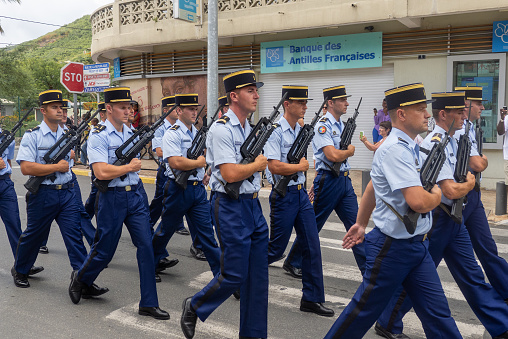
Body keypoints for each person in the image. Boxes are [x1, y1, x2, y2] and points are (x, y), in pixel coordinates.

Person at [324, 83, 462, 339]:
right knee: (361, 312)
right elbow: (418, 202)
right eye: (421, 110)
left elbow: (372, 189)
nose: (427, 114)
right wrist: (438, 193)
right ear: (401, 114)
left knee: (438, 314)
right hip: (392, 249)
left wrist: (361, 224)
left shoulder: (410, 146)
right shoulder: (394, 150)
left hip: (417, 246)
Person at [375, 91, 508, 339]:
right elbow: (449, 188)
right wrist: (469, 184)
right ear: (444, 114)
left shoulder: (456, 138)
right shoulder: (434, 142)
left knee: (472, 274)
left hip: (454, 218)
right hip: (437, 219)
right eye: (459, 111)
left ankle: (502, 325)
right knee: (415, 280)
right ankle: (387, 321)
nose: (463, 115)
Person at [180, 70, 269, 339]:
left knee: (257, 281)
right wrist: (257, 165)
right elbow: (230, 174)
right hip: (230, 206)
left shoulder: (250, 129)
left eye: (256, 90)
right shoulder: (220, 129)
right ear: (234, 96)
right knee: (233, 274)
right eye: (250, 90)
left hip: (253, 206)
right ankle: (194, 305)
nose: (256, 94)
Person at [68, 87, 169, 320]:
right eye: (123, 108)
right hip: (111, 198)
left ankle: (148, 303)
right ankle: (81, 278)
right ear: (109, 109)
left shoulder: (130, 132)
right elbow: (100, 171)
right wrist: (127, 168)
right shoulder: (98, 135)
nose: (128, 111)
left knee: (146, 245)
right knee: (104, 251)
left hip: (134, 195)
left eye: (130, 107)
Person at [264, 85, 333, 317]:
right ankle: (239, 276)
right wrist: (299, 167)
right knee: (275, 250)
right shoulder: (275, 130)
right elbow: (273, 165)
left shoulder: (300, 129)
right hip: (284, 196)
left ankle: (312, 299)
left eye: (306, 103)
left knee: (312, 245)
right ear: (287, 104)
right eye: (300, 103)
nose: (305, 106)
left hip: (301, 195)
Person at [284, 85, 366, 278]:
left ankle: (369, 269)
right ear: (330, 103)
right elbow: (332, 155)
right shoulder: (323, 125)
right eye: (342, 100)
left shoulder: (341, 125)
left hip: (344, 182)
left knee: (356, 225)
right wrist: (350, 151)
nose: (346, 103)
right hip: (328, 180)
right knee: (313, 224)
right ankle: (293, 261)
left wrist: (344, 153)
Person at [12, 90, 89, 289]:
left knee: (74, 236)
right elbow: (26, 167)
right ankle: (20, 269)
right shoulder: (33, 136)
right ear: (43, 110)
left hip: (67, 192)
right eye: (54, 107)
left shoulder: (65, 135)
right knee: (34, 235)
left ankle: (83, 281)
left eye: (61, 107)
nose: (60, 111)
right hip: (44, 193)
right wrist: (56, 167)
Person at [152, 93, 221, 283]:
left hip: (197, 190)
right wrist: (198, 163)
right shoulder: (172, 133)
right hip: (177, 188)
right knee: (166, 229)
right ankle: (150, 262)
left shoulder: (196, 133)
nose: (194, 112)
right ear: (179, 110)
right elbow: (174, 161)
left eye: (195, 108)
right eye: (190, 109)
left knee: (207, 234)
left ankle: (223, 277)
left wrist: (205, 171)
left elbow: (204, 157)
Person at [455, 86, 508, 304]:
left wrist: (481, 161)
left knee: (487, 249)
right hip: (457, 200)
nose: (483, 107)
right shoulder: (459, 130)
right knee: (427, 258)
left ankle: (505, 290)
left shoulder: (470, 127)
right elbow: (478, 163)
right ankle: (390, 315)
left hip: (473, 196)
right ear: (466, 105)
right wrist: (483, 160)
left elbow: (478, 162)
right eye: (479, 103)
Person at [39, 99, 96, 253]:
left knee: (79, 211)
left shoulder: (68, 132)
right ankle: (40, 241)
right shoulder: (44, 132)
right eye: (60, 110)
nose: (63, 113)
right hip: (47, 180)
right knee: (45, 216)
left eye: (65, 111)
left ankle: (95, 245)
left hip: (69, 178)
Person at [0, 111, 44, 276]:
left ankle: (23, 264)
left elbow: (8, 161)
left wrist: (8, 180)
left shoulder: (6, 137)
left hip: (4, 184)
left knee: (15, 225)